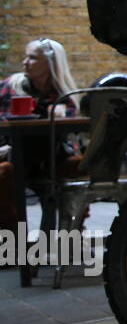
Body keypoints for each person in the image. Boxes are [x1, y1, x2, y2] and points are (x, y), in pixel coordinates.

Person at [0, 38, 81, 234]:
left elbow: (72, 128)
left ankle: (70, 234)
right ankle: (12, 241)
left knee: (79, 166)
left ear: (50, 64)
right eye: (26, 57)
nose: (25, 62)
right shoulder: (11, 86)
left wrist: (63, 114)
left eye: (32, 58)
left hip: (51, 156)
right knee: (4, 173)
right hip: (14, 153)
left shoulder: (63, 94)